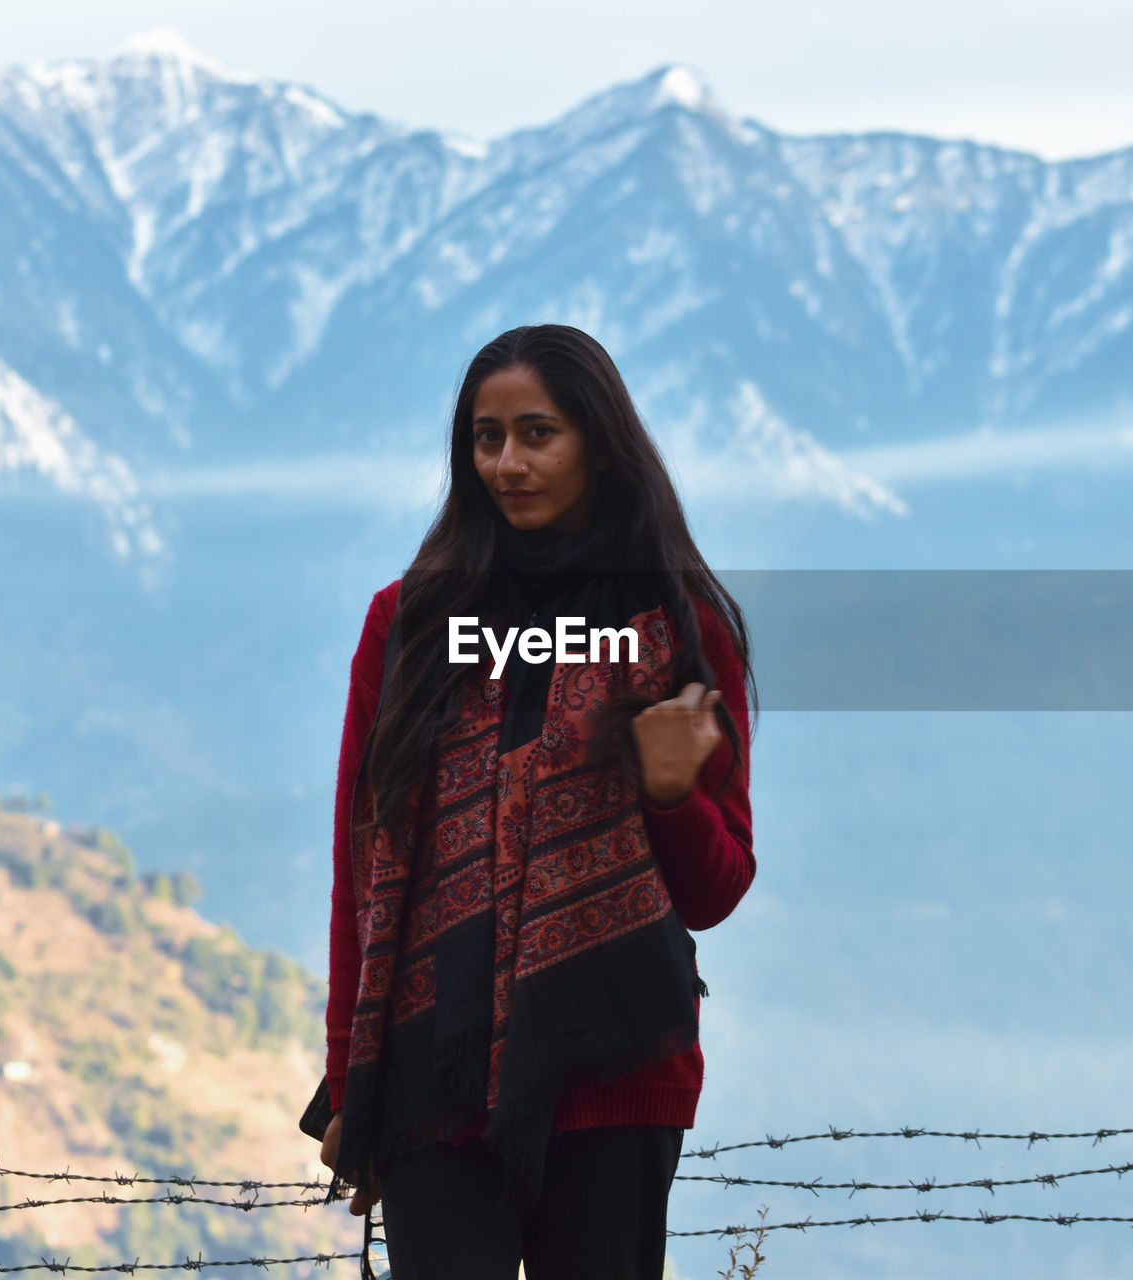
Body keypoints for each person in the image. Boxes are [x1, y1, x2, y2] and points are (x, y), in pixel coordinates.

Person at [317, 324, 756, 1279]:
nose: (506, 463)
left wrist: (671, 793)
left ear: (598, 442)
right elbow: (362, 861)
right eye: (485, 438)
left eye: (536, 434)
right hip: (433, 1070)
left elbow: (717, 891)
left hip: (613, 1075)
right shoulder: (410, 625)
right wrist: (351, 1068)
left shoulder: (678, 628)